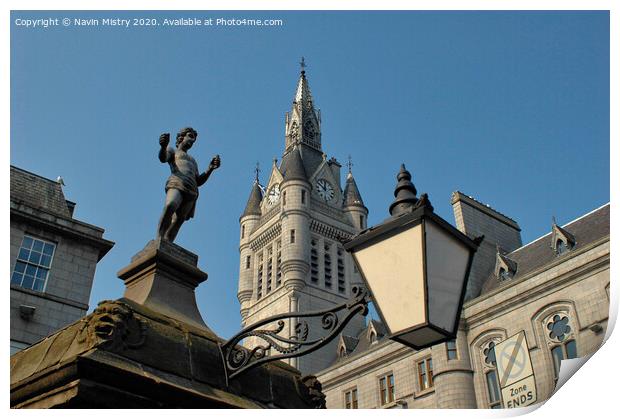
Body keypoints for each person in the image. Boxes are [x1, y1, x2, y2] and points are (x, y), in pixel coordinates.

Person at [156, 127, 220, 242]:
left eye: (194, 139)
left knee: (179, 219)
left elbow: (198, 180)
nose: (192, 140)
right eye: (190, 136)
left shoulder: (193, 160)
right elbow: (163, 158)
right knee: (170, 205)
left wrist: (210, 169)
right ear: (181, 137)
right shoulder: (173, 151)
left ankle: (168, 242)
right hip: (177, 182)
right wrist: (163, 146)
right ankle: (159, 239)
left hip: (192, 190)